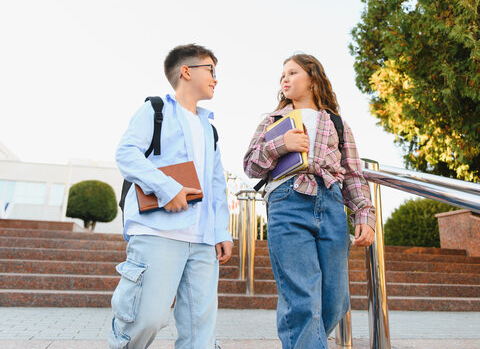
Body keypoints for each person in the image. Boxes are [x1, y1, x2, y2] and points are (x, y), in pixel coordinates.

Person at [243, 53, 376, 348]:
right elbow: (251, 165)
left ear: (313, 78)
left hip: (330, 205)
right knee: (303, 300)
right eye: (282, 76)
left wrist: (364, 215)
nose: (285, 79)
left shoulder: (338, 124)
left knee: (335, 300)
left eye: (292, 73)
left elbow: (353, 174)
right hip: (288, 202)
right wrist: (281, 145)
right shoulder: (272, 121)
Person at [109, 43, 233, 349]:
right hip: (157, 233)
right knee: (144, 319)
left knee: (200, 333)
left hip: (203, 242)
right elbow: (126, 154)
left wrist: (221, 231)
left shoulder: (210, 128)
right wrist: (168, 188)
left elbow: (217, 185)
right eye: (211, 70)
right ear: (186, 71)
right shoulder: (155, 110)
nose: (216, 79)